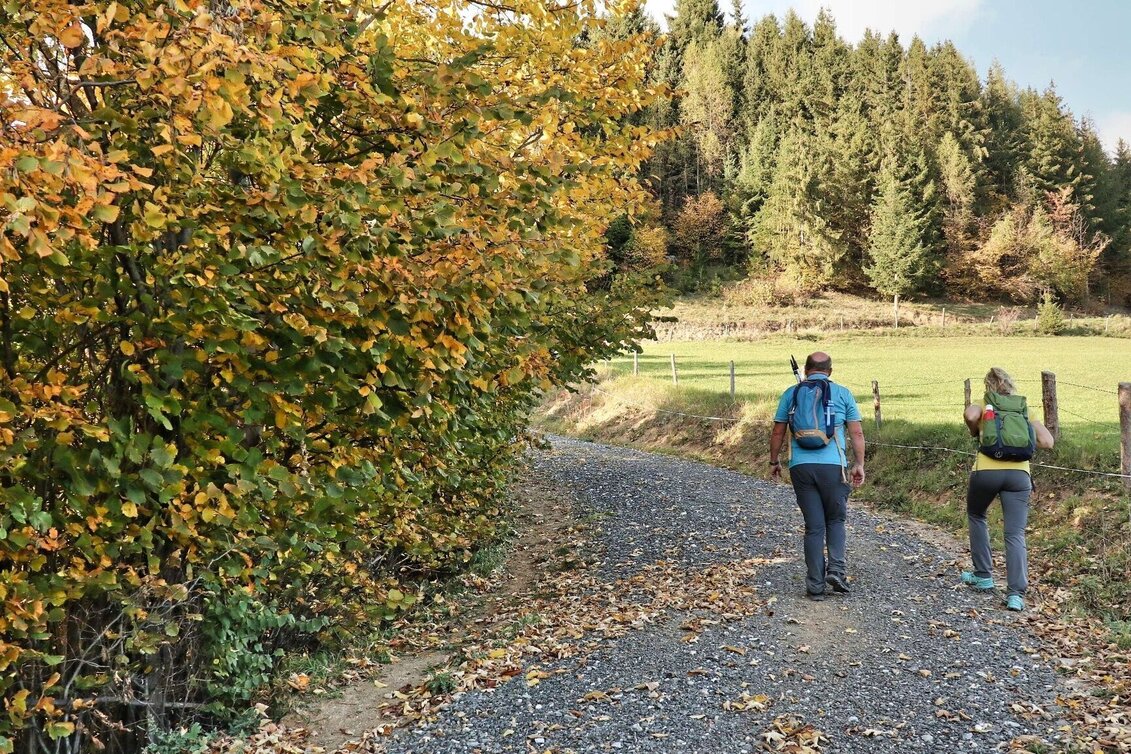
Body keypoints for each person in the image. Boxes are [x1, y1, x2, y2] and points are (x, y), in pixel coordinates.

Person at [769, 352, 866, 600]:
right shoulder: (842, 393)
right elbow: (856, 433)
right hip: (833, 466)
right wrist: (859, 464)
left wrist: (774, 461)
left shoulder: (792, 393)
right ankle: (836, 571)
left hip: (801, 467)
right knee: (835, 520)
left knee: (814, 526)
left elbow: (778, 432)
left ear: (806, 369)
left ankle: (815, 587)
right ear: (830, 371)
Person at [961, 367, 1054, 612]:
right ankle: (1015, 595)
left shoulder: (985, 403)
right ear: (1011, 385)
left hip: (986, 472)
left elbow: (970, 415)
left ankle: (983, 575)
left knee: (977, 515)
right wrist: (1020, 441)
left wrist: (975, 431)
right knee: (1015, 534)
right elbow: (1048, 442)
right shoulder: (1023, 409)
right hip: (1019, 476)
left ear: (988, 385)